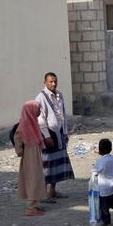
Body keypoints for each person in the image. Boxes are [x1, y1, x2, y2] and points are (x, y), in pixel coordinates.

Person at [35, 72, 74, 201]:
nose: (53, 84)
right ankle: (43, 193)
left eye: (55, 81)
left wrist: (65, 132)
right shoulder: (41, 97)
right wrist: (46, 136)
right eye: (51, 81)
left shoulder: (59, 95)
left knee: (57, 162)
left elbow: (63, 115)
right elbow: (41, 119)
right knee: (47, 163)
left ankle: (53, 190)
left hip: (59, 132)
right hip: (49, 134)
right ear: (45, 82)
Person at [14, 100, 46, 217]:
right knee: (32, 178)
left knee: (36, 177)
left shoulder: (32, 122)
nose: (38, 111)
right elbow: (17, 137)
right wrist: (20, 151)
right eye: (37, 109)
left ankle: (34, 203)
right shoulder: (24, 124)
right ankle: (30, 208)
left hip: (34, 154)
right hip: (29, 155)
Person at [92, 138, 113, 226]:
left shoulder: (101, 161)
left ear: (100, 150)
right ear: (110, 149)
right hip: (111, 187)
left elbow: (95, 171)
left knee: (104, 207)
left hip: (103, 189)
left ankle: (107, 222)